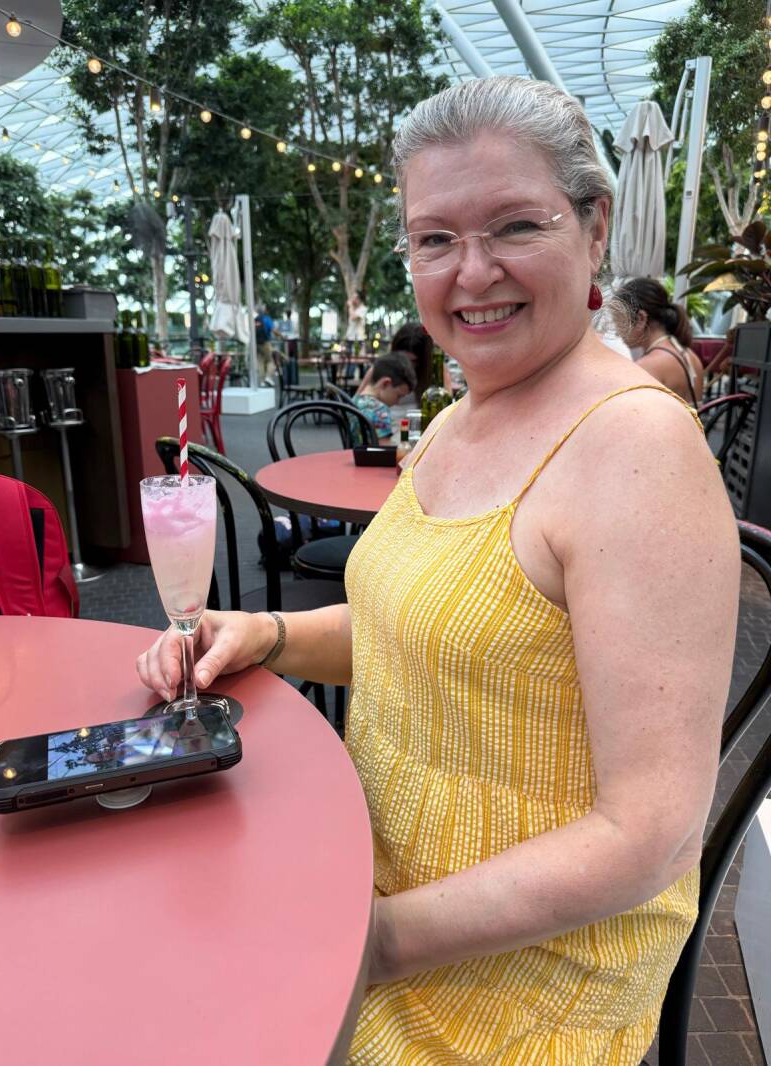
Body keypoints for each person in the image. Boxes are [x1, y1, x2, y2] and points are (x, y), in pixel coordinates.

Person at [137, 75, 739, 1064]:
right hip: (377, 870)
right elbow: (417, 622)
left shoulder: (636, 450)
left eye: (515, 226)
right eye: (434, 239)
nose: (472, 272)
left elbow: (649, 836)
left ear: (594, 228)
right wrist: (267, 634)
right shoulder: (460, 416)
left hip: (517, 971)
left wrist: (363, 942)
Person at [615, 277, 704, 404]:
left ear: (640, 319)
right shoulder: (691, 356)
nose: (617, 332)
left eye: (620, 322)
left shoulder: (647, 366)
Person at [351, 351, 417, 442]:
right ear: (385, 383)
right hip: (372, 451)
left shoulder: (354, 400)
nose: (397, 402)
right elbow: (384, 448)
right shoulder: (379, 410)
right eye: (399, 396)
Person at [254, 304, 277, 386]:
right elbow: (273, 330)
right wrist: (281, 336)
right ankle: (268, 377)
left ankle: (262, 381)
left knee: (260, 361)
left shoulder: (255, 319)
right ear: (264, 311)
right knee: (270, 361)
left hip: (256, 343)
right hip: (265, 342)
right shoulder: (266, 319)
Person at [345, 289, 367, 353]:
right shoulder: (353, 308)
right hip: (349, 337)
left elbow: (353, 317)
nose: (353, 299)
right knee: (348, 356)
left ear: (359, 299)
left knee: (356, 356)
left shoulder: (363, 309)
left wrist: (350, 306)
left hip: (358, 338)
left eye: (355, 297)